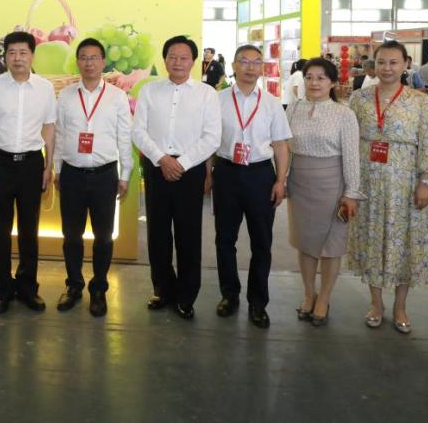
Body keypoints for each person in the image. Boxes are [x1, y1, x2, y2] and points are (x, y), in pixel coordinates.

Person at [348, 40, 428, 334]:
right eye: (381, 62)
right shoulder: (359, 98)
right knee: (372, 240)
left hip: (405, 184)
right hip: (368, 181)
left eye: (393, 62)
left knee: (404, 243)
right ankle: (376, 303)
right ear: (374, 65)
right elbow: (349, 140)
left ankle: (400, 306)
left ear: (405, 65)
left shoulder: (419, 101)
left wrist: (425, 183)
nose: (387, 68)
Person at [133, 35, 221, 320]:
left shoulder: (206, 94)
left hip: (189, 170)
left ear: (193, 61)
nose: (178, 62)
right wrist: (162, 159)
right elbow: (138, 131)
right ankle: (162, 289)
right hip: (157, 168)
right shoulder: (150, 91)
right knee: (157, 234)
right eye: (172, 56)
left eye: (184, 57)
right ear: (165, 60)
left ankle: (186, 296)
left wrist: (180, 164)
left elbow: (212, 137)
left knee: (188, 235)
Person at [0, 31, 56, 314]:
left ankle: (27, 287)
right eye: (12, 52)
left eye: (23, 52)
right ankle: (3, 288)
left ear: (32, 55)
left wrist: (48, 166)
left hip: (32, 164)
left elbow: (49, 128)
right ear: (6, 56)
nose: (17, 58)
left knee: (29, 230)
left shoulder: (45, 88)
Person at [52, 38, 132, 317]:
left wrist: (125, 174)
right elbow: (59, 134)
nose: (89, 63)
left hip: (105, 175)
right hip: (72, 175)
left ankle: (98, 289)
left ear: (103, 62)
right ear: (78, 62)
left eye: (94, 57)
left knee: (104, 237)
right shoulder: (66, 95)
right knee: (71, 236)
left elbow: (124, 136)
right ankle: (74, 286)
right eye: (84, 57)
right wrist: (57, 169)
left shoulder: (117, 96)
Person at [212, 44, 291, 329]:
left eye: (256, 62)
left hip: (260, 175)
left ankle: (258, 302)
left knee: (262, 242)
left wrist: (280, 181)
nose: (250, 67)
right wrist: (208, 175)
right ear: (233, 66)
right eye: (244, 61)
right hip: (226, 173)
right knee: (225, 239)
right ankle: (229, 295)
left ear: (262, 68)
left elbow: (281, 145)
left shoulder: (271, 103)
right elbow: (210, 141)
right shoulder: (217, 100)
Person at [286, 57, 363, 326]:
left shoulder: (344, 114)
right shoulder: (293, 108)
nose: (314, 83)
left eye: (321, 78)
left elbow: (352, 156)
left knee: (331, 246)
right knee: (305, 242)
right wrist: (281, 180)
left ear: (332, 83)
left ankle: (324, 298)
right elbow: (283, 147)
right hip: (299, 184)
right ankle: (309, 294)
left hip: (332, 185)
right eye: (309, 77)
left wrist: (351, 192)